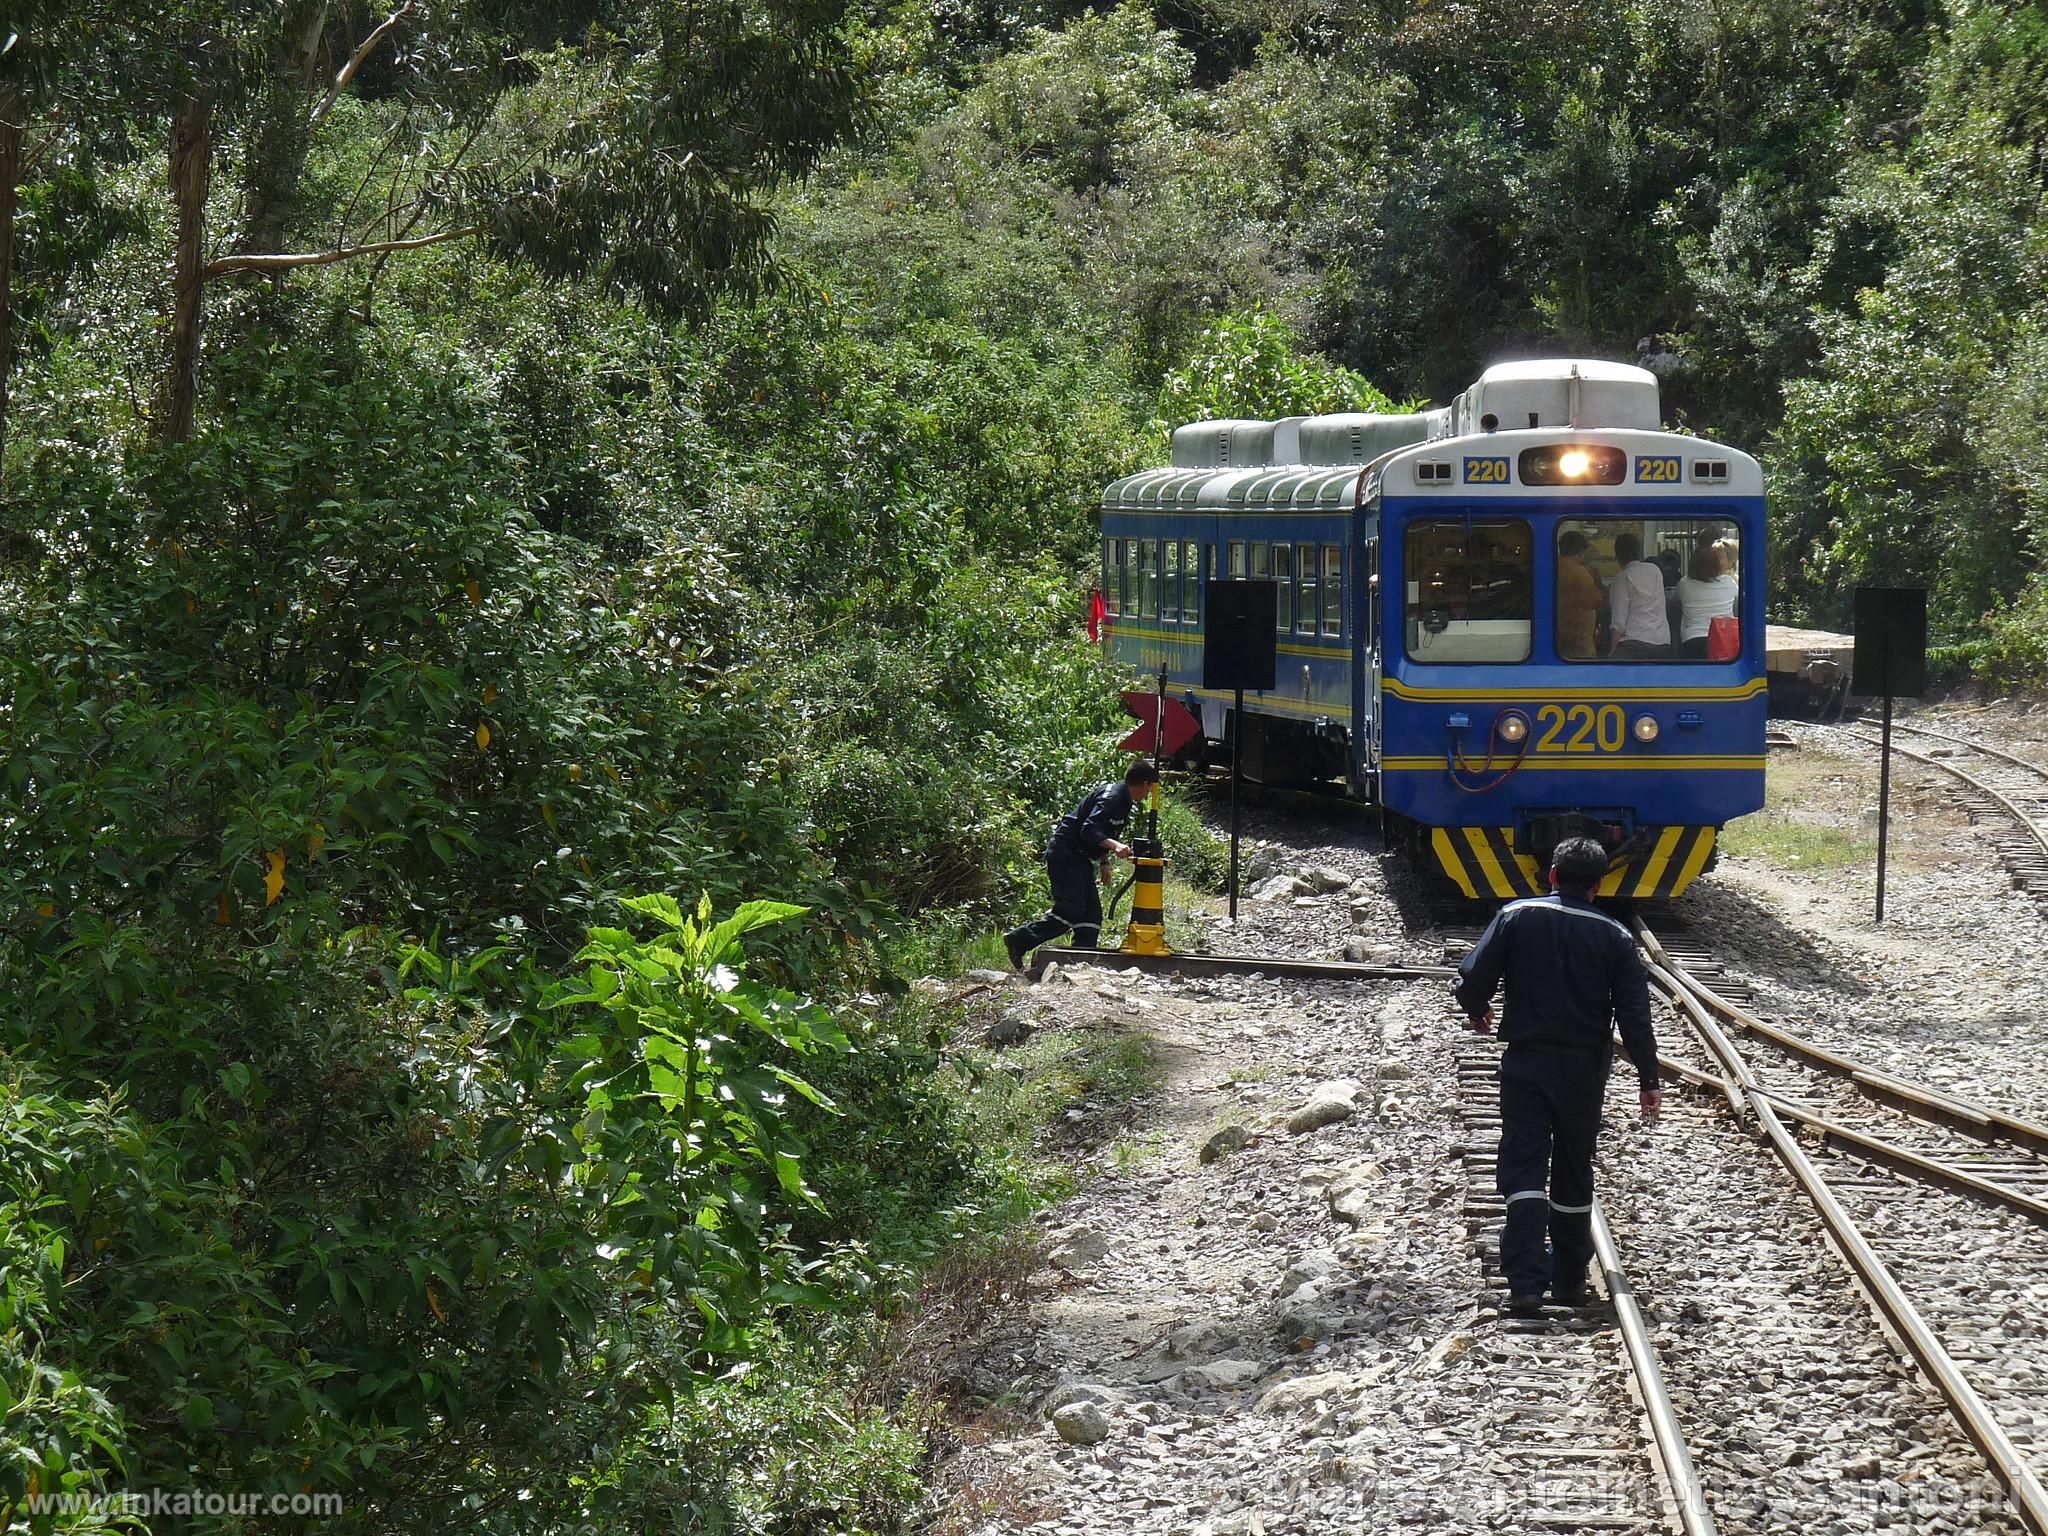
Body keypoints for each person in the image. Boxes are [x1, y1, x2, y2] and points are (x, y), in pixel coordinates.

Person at [1452, 836, 1662, 1315]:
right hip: (1584, 1070)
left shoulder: (1516, 915)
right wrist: (1648, 1080)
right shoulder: (1615, 937)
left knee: (1524, 1161)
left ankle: (1526, 1283)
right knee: (1573, 1164)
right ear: (1600, 884)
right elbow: (1634, 1017)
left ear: (1551, 874)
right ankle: (1568, 1279)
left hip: (1526, 1061)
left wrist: (1478, 1009)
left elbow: (1471, 978)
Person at [1004, 761, 1158, 968]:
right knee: (1071, 910)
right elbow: (1089, 829)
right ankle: (1019, 939)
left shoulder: (1124, 800)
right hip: (1065, 854)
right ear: (1144, 784)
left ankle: (1080, 961)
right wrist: (1116, 846)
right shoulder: (1111, 798)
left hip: (1079, 858)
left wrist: (1104, 861)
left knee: (1091, 914)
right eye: (1150, 788)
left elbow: (1105, 832)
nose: (1149, 794)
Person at [1604, 531, 1670, 658]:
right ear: (1640, 551)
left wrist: (1612, 653)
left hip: (1633, 644)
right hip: (1662, 642)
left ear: (1618, 556)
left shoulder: (1621, 579)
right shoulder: (1654, 570)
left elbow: (1619, 622)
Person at [1676, 542, 1738, 659]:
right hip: (1721, 638)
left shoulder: (1684, 584)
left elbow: (1676, 600)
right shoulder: (1729, 583)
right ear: (1715, 564)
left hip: (1692, 638)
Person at [1554, 530, 1603, 659]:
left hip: (1558, 638)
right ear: (1581, 552)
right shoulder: (1581, 574)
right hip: (1578, 644)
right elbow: (1596, 601)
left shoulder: (1553, 566)